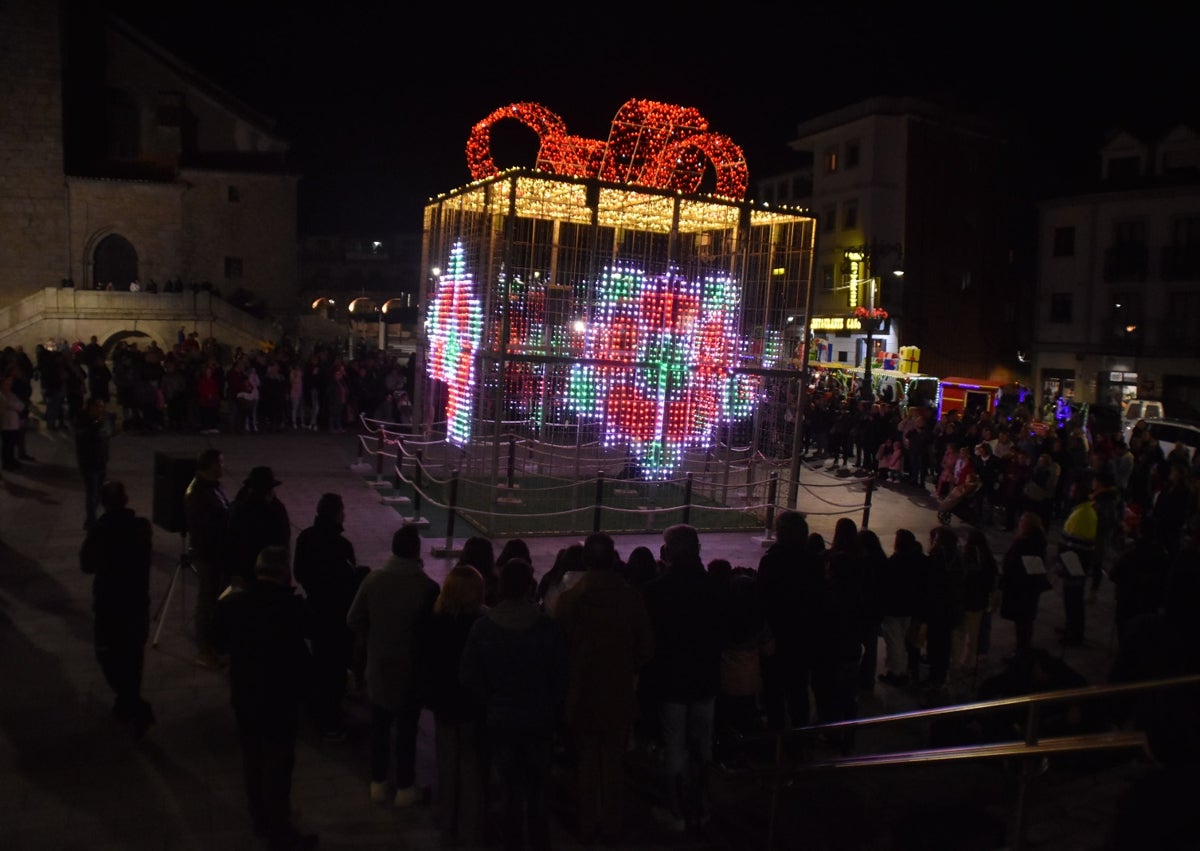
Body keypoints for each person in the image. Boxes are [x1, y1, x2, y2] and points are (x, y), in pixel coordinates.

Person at [460, 557, 568, 851]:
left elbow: (470, 678)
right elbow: (560, 677)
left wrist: (492, 700)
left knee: (506, 791)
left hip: (500, 720)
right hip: (538, 720)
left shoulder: (484, 628)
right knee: (536, 791)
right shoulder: (546, 627)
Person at [554, 532, 655, 845]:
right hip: (618, 691)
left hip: (582, 691)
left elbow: (559, 644)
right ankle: (611, 823)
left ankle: (588, 822)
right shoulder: (630, 598)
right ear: (613, 559)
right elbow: (646, 648)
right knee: (613, 763)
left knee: (586, 762)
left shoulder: (571, 599)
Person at [216, 545, 318, 851]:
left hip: (245, 694)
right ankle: (280, 831)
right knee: (278, 765)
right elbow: (310, 630)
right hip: (280, 699)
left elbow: (217, 638)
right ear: (284, 573)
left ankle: (259, 818)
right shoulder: (290, 607)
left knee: (252, 759)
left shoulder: (235, 603)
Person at [347, 525, 439, 807]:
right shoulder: (427, 587)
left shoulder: (374, 580)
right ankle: (405, 786)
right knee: (407, 733)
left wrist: (373, 636)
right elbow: (432, 635)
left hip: (379, 667)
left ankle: (378, 781)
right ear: (416, 551)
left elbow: (353, 618)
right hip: (410, 671)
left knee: (380, 727)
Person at [641, 523, 725, 832]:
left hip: (672, 681)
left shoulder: (656, 591)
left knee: (675, 747)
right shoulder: (715, 586)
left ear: (667, 553)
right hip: (705, 679)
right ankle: (701, 805)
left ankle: (677, 810)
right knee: (703, 745)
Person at [80, 481, 155, 739]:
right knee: (133, 660)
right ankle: (130, 705)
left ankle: (132, 706)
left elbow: (86, 564)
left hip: (111, 605)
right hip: (135, 605)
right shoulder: (140, 527)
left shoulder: (103, 531)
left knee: (109, 655)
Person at [420, 564, 488, 844]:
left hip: (445, 702)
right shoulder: (482, 624)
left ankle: (447, 823)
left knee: (447, 764)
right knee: (471, 767)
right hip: (472, 704)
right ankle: (468, 828)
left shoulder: (434, 621)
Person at [293, 493, 362, 741]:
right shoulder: (341, 546)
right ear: (336, 514)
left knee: (321, 659)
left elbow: (299, 571)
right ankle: (329, 719)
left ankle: (318, 706)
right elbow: (349, 580)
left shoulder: (306, 538)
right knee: (334, 668)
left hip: (316, 608)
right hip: (335, 614)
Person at [756, 510, 821, 729]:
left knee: (775, 692)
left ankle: (777, 740)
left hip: (778, 635)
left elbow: (763, 598)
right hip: (804, 635)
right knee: (798, 690)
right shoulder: (813, 561)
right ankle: (799, 739)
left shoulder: (772, 560)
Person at [184, 448, 230, 670]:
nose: (223, 467)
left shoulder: (213, 487)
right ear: (210, 465)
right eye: (220, 463)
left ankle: (214, 643)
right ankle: (204, 649)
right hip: (207, 554)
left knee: (214, 600)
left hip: (216, 553)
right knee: (206, 602)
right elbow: (204, 528)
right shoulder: (198, 493)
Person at [227, 466, 292, 587]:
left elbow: (231, 541)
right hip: (268, 574)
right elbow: (282, 542)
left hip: (243, 570)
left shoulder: (238, 508)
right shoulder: (274, 511)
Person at [999, 511, 1051, 658]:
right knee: (1026, 621)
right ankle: (1023, 649)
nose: (1019, 524)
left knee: (1022, 622)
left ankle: (1022, 652)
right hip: (1030, 587)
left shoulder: (1024, 543)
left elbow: (1014, 564)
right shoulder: (1038, 541)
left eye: (1022, 522)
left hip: (1020, 587)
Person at [75, 396, 111, 530]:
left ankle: (93, 517)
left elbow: (106, 435)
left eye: (102, 406)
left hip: (101, 460)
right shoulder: (82, 420)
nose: (100, 409)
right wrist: (96, 425)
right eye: (97, 407)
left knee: (99, 492)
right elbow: (83, 436)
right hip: (89, 462)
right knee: (92, 492)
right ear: (89, 407)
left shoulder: (103, 419)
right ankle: (90, 520)